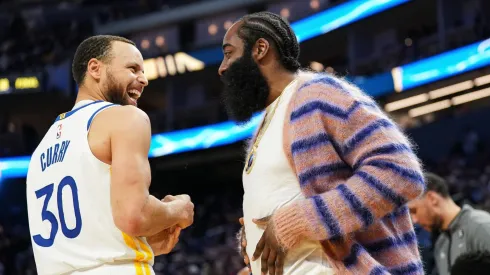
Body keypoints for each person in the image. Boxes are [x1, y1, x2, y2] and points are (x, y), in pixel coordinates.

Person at [219, 11, 425, 275]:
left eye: (229, 53)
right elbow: (290, 203)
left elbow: (399, 172)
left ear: (260, 49)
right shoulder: (267, 121)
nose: (222, 67)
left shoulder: (319, 94)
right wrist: (255, 238)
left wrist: (291, 223)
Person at [26, 35, 195, 275]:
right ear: (95, 68)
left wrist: (144, 242)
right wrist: (178, 210)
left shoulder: (40, 150)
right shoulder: (125, 118)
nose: (144, 79)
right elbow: (134, 217)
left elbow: (88, 243)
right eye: (133, 68)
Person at [408, 172, 490, 275]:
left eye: (414, 211)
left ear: (432, 199)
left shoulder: (479, 225)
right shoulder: (440, 243)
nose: (414, 220)